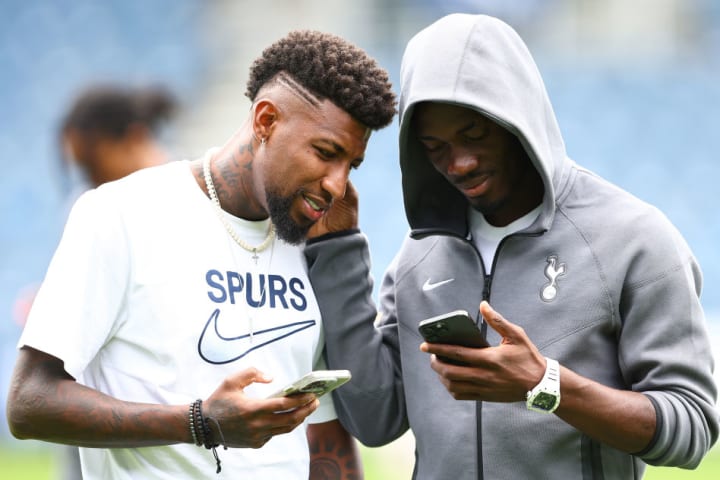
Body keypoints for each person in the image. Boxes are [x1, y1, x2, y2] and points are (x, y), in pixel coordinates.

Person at [304, 13, 719, 479]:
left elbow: (691, 430)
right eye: (435, 146)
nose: (458, 164)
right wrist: (338, 250)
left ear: (518, 118)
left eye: (475, 135)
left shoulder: (634, 238)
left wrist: (545, 384)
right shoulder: (418, 255)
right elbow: (375, 419)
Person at [6, 29, 396, 480]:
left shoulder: (316, 245)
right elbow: (29, 402)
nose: (338, 183)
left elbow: (324, 436)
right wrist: (199, 422)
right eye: (325, 153)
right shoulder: (120, 214)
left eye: (351, 164)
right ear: (266, 121)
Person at [59, 84, 177, 191]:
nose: (92, 180)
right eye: (84, 169)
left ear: (134, 139)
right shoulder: (93, 202)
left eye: (95, 167)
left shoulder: (178, 188)